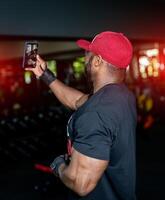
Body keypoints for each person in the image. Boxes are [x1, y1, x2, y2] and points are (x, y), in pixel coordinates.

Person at [26, 31, 137, 200]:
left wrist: (59, 166)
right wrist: (45, 75)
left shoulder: (97, 112)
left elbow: (81, 183)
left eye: (88, 54)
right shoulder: (121, 96)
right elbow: (77, 100)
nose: (85, 59)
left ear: (98, 61)